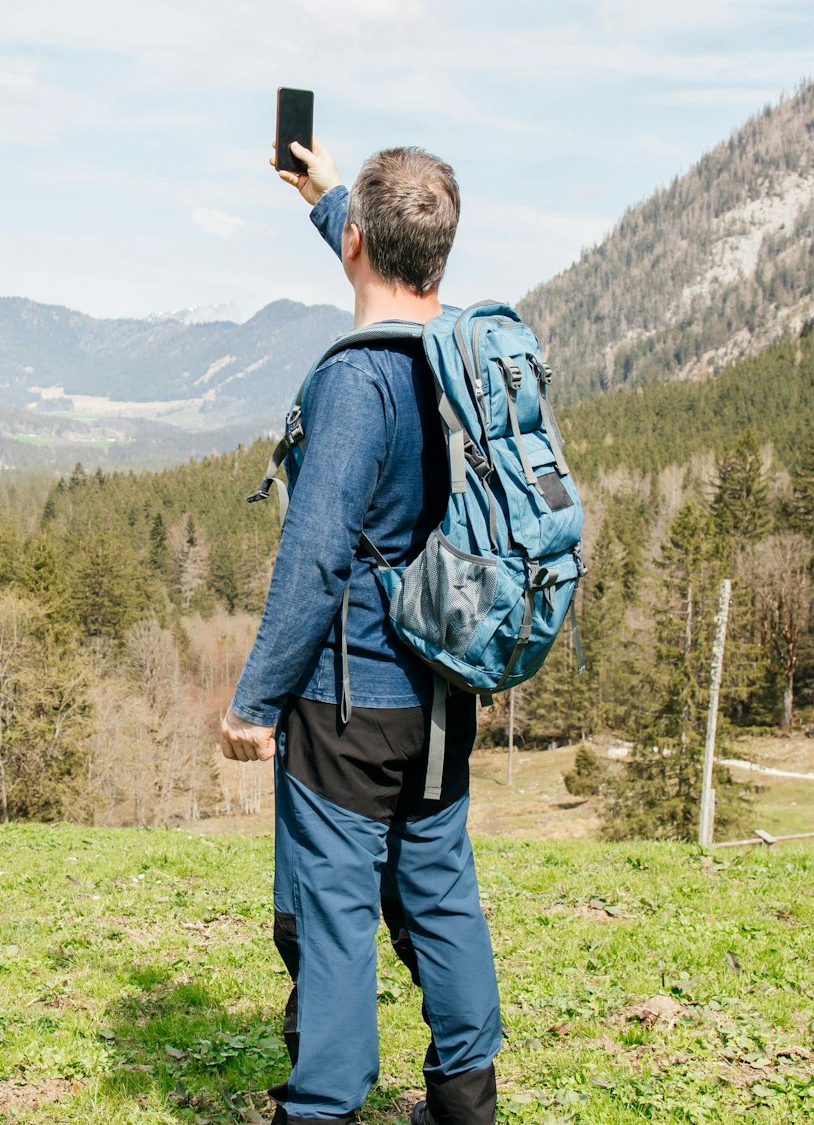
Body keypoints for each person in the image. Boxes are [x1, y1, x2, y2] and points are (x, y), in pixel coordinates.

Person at [216, 139, 500, 1125]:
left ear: (353, 245)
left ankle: (321, 1107)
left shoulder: (355, 383)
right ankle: (464, 1102)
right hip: (444, 684)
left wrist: (253, 701)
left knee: (334, 917)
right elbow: (388, 249)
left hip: (349, 706)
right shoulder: (462, 360)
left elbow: (315, 557)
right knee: (436, 892)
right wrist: (322, 193)